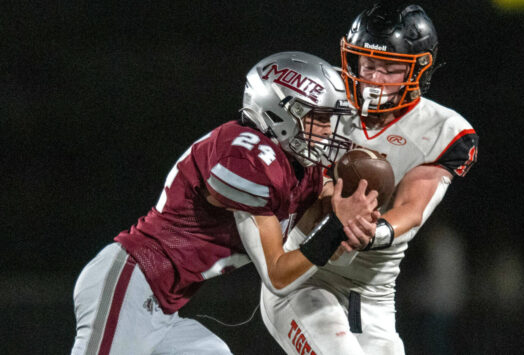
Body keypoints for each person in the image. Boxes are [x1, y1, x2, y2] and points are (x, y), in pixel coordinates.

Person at [70, 51, 381, 355]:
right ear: (280, 112)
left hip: (163, 307)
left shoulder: (301, 171)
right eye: (319, 119)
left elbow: (322, 226)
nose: (328, 131)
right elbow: (277, 275)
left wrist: (348, 223)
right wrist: (335, 226)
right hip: (134, 280)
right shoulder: (243, 153)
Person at [260, 3, 479, 354]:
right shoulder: (323, 95)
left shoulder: (442, 129)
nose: (374, 79)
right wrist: (330, 203)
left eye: (390, 69)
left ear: (419, 69)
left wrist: (369, 232)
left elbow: (413, 205)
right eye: (368, 64)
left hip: (372, 296)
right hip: (304, 275)